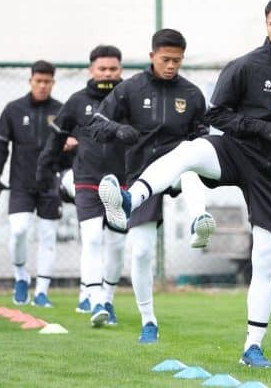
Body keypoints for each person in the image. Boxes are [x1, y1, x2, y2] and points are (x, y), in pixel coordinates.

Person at [97, 0, 271, 367]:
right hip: (236, 153)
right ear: (266, 24)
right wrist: (257, 126)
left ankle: (252, 347)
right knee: (189, 150)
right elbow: (218, 115)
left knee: (265, 259)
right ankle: (130, 198)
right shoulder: (245, 66)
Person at [87, 29, 215, 342]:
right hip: (141, 176)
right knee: (142, 252)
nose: (171, 65)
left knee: (189, 166)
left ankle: (200, 219)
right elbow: (96, 124)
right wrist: (119, 131)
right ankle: (149, 321)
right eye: (165, 59)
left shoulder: (193, 94)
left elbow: (203, 137)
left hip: (179, 168)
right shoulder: (129, 89)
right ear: (151, 56)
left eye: (177, 60)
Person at [37, 45, 147, 327]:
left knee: (117, 244)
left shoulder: (131, 99)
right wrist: (44, 168)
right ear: (91, 71)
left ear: (120, 70)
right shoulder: (76, 102)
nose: (107, 74)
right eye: (102, 69)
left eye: (113, 69)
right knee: (93, 239)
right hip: (86, 180)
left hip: (123, 181)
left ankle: (108, 300)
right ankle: (95, 300)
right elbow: (56, 138)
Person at [0, 60, 71, 307]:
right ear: (31, 81)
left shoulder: (62, 111)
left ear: (53, 83)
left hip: (50, 184)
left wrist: (68, 173)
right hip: (21, 184)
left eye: (48, 81)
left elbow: (71, 149)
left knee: (48, 237)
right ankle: (21, 276)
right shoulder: (13, 109)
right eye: (39, 81)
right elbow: (0, 146)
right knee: (19, 231)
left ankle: (42, 292)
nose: (43, 86)